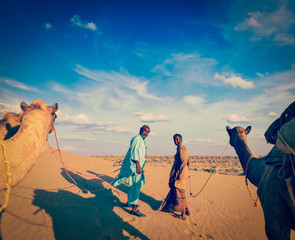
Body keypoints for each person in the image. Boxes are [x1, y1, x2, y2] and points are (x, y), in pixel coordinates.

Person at [112, 125, 150, 217]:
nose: (146, 133)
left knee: (135, 185)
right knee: (136, 186)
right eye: (145, 131)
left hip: (137, 167)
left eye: (148, 132)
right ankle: (134, 209)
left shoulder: (142, 140)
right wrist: (137, 165)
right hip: (136, 167)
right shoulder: (137, 139)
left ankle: (130, 202)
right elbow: (134, 152)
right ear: (140, 130)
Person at [159, 133, 191, 220]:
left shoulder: (181, 148)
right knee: (180, 192)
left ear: (181, 139)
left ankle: (183, 214)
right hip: (182, 173)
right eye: (174, 140)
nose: (176, 141)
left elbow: (183, 161)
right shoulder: (180, 148)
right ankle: (185, 211)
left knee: (180, 193)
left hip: (181, 174)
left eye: (177, 139)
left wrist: (178, 174)